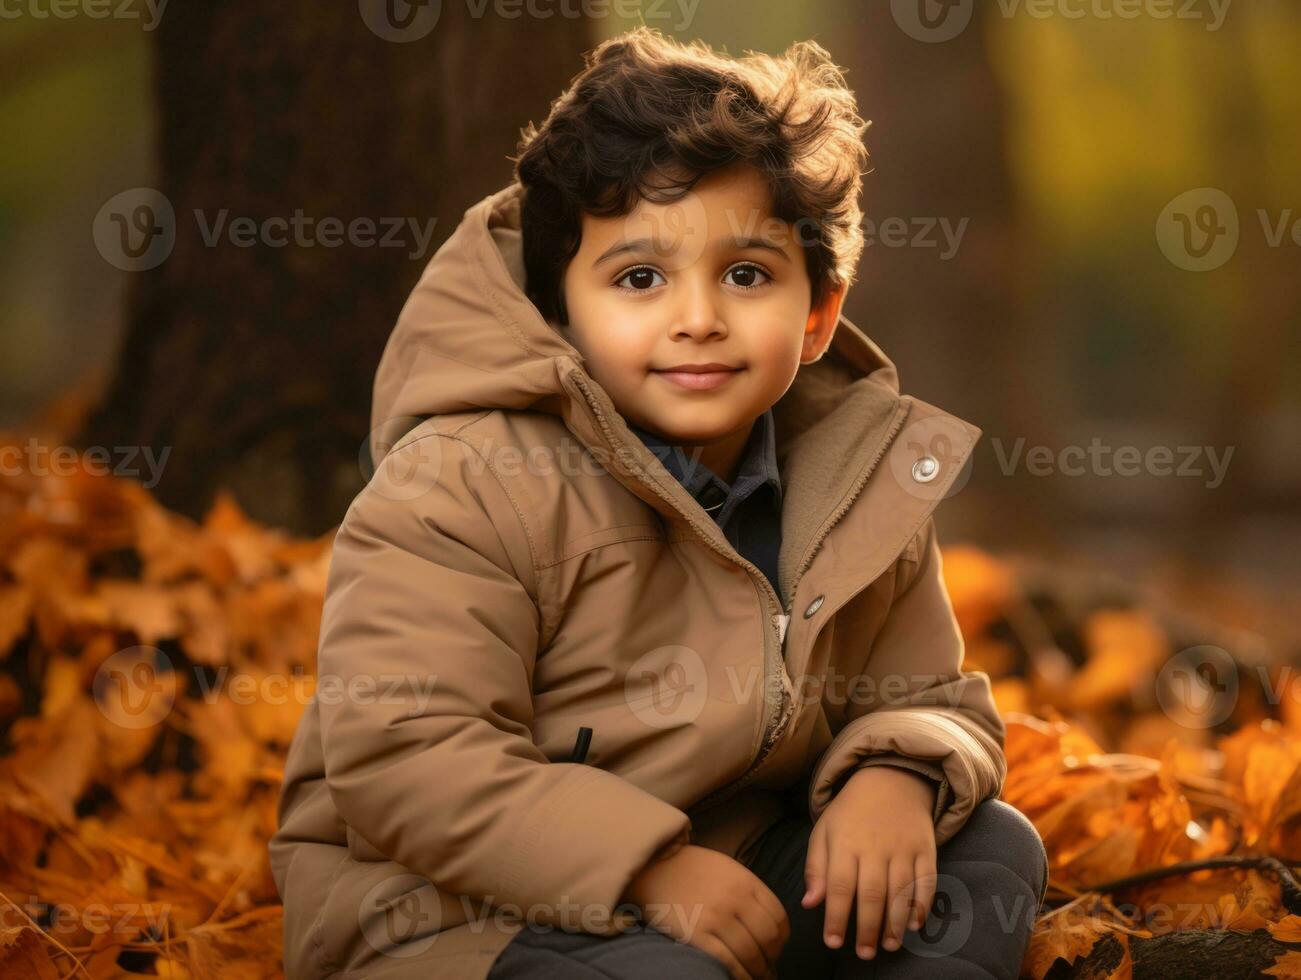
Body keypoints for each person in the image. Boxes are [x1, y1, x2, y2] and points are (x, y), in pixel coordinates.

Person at [270, 26, 1048, 980]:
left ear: (817, 314)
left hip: (731, 870)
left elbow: (927, 695)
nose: (697, 317)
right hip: (455, 913)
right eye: (639, 278)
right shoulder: (462, 481)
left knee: (988, 855)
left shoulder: (856, 476)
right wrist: (647, 869)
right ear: (558, 309)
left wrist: (895, 774)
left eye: (746, 274)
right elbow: (406, 756)